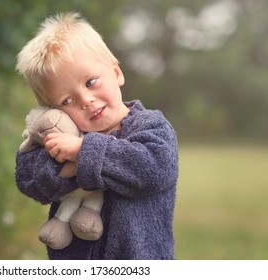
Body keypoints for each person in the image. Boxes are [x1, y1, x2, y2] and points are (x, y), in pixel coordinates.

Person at [15, 12, 178, 260]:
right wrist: (71, 165)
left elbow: (155, 167)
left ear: (116, 73)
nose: (86, 100)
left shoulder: (151, 125)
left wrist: (82, 152)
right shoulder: (60, 134)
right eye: (67, 100)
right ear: (53, 110)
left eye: (91, 82)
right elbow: (28, 178)